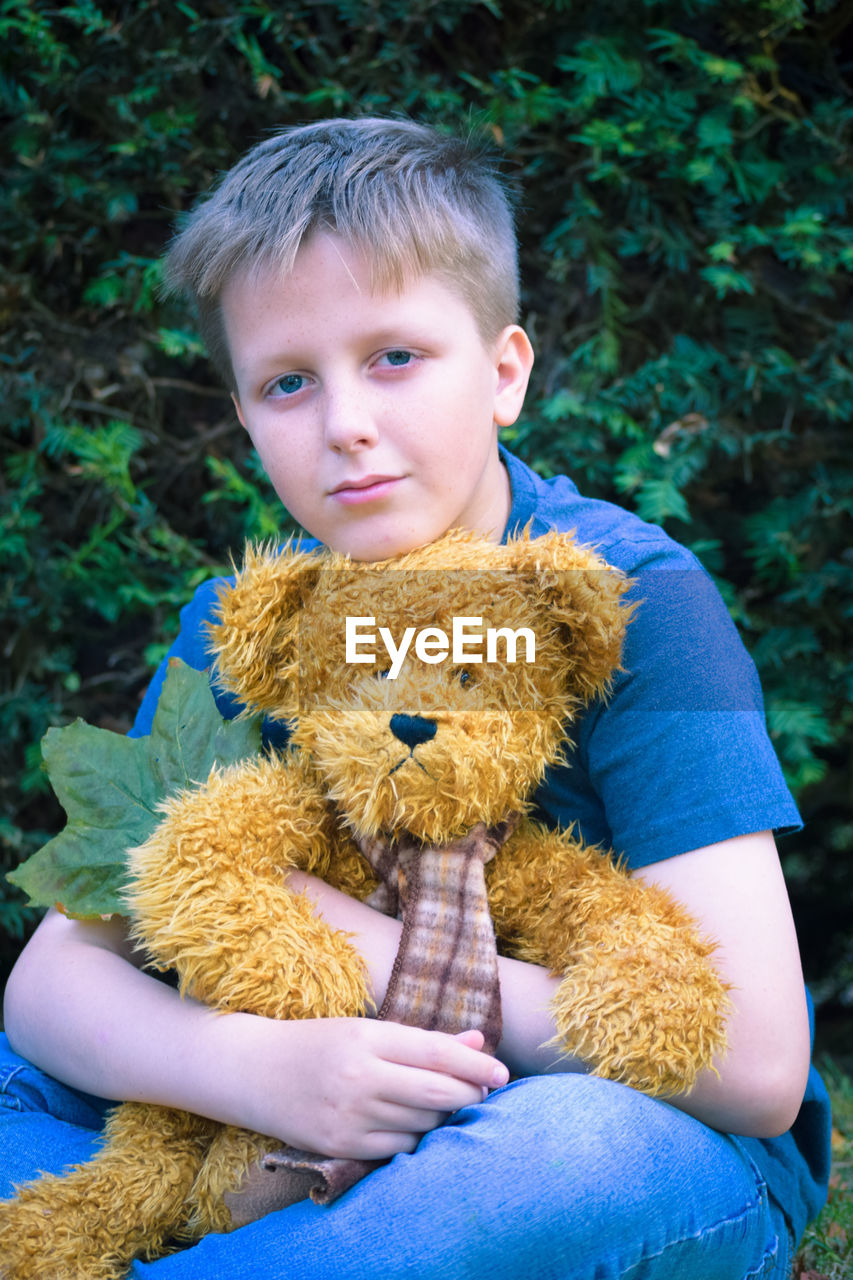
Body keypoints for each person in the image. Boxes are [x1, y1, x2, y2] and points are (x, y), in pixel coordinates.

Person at [1, 117, 831, 1279]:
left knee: (564, 1153)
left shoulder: (633, 599)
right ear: (243, 416)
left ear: (503, 372)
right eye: (288, 381)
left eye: (394, 357)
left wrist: (372, 947)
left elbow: (752, 1064)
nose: (345, 423)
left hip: (583, 1118)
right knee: (32, 1079)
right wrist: (263, 1068)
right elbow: (49, 984)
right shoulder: (242, 619)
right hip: (268, 1099)